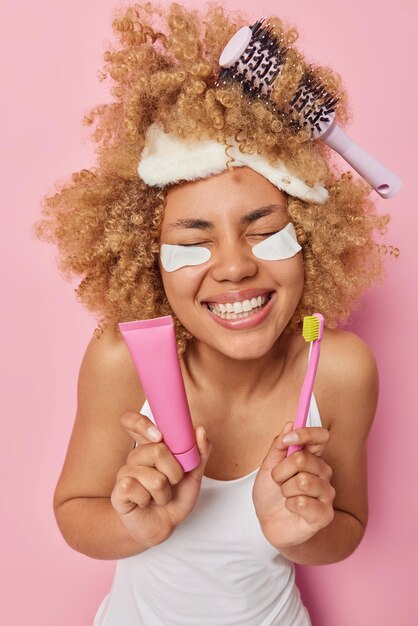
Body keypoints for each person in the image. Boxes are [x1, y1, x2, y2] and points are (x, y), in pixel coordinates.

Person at [34, 2, 391, 624]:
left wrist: (299, 530)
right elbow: (75, 513)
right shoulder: (123, 362)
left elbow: (350, 528)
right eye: (193, 241)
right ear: (147, 256)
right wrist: (136, 525)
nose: (233, 267)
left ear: (312, 238)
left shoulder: (340, 369)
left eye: (263, 231)